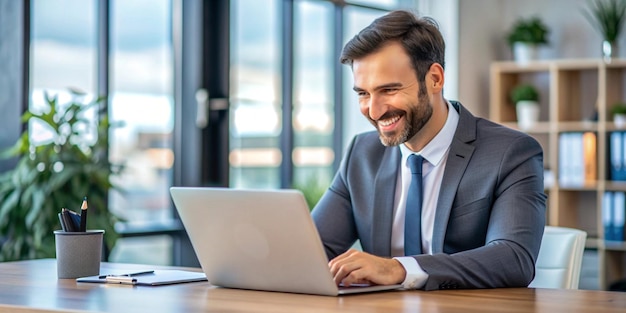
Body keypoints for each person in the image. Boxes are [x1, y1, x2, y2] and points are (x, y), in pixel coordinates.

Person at [310, 10, 546, 291]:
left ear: (434, 78)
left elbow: (513, 259)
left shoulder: (511, 153)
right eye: (363, 93)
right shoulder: (362, 154)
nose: (373, 110)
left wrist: (399, 269)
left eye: (388, 89)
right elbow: (312, 252)